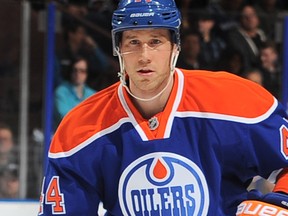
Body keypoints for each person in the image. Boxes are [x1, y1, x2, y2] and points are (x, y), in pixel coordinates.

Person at [39, 0, 288, 215]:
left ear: (175, 47)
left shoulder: (233, 100)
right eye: (133, 42)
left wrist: (279, 204)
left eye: (155, 41)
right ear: (118, 50)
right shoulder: (80, 128)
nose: (144, 55)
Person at [54, 56, 96, 129]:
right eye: (75, 70)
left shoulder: (93, 94)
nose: (78, 74)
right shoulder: (61, 91)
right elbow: (66, 117)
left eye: (82, 71)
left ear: (87, 74)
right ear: (70, 71)